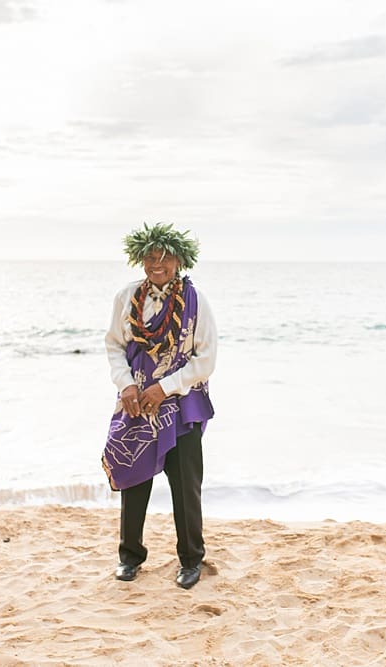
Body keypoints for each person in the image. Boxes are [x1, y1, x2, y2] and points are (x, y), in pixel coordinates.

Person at [102, 222, 216, 589]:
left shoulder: (197, 302)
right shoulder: (127, 297)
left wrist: (165, 388)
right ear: (140, 260)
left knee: (186, 486)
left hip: (181, 407)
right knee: (134, 479)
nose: (157, 264)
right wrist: (126, 386)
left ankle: (190, 560)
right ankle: (130, 556)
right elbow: (114, 346)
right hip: (135, 403)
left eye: (165, 258)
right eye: (150, 258)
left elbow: (205, 359)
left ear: (179, 261)